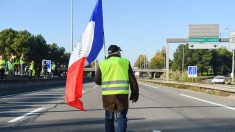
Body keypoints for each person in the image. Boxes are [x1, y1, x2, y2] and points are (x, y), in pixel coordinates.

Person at [95, 45, 139, 132]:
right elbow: (132, 80)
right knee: (121, 117)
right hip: (121, 96)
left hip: (108, 97)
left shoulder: (103, 63)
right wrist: (135, 93)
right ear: (117, 52)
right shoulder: (125, 62)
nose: (120, 53)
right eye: (120, 51)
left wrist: (105, 83)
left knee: (109, 118)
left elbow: (97, 80)